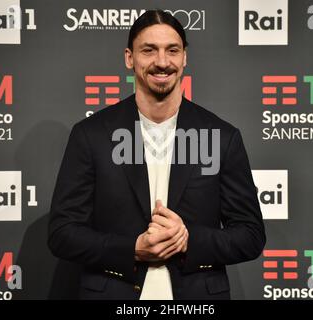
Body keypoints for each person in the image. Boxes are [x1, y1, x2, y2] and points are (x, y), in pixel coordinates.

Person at [48, 9, 265, 300]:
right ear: (129, 58)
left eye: (172, 50)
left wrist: (189, 239)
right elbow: (62, 233)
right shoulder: (92, 135)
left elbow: (251, 236)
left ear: (184, 57)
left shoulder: (222, 137)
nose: (162, 62)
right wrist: (132, 249)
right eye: (149, 50)